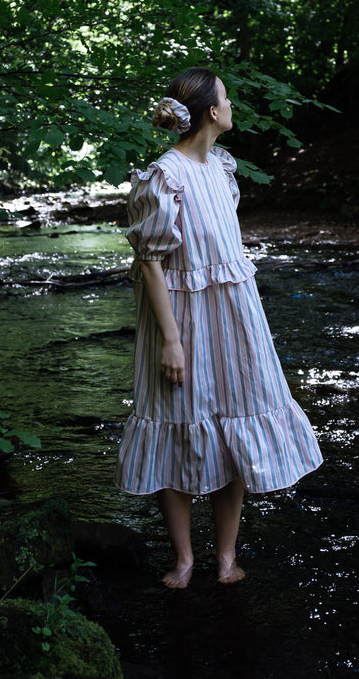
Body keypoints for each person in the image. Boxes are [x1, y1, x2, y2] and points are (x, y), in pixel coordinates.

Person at [115, 68, 322, 588]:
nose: (233, 107)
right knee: (177, 428)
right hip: (180, 322)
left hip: (235, 320)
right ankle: (184, 559)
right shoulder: (164, 177)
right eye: (227, 99)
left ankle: (226, 557)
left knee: (235, 428)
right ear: (212, 112)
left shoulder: (223, 168)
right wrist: (171, 341)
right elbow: (151, 263)